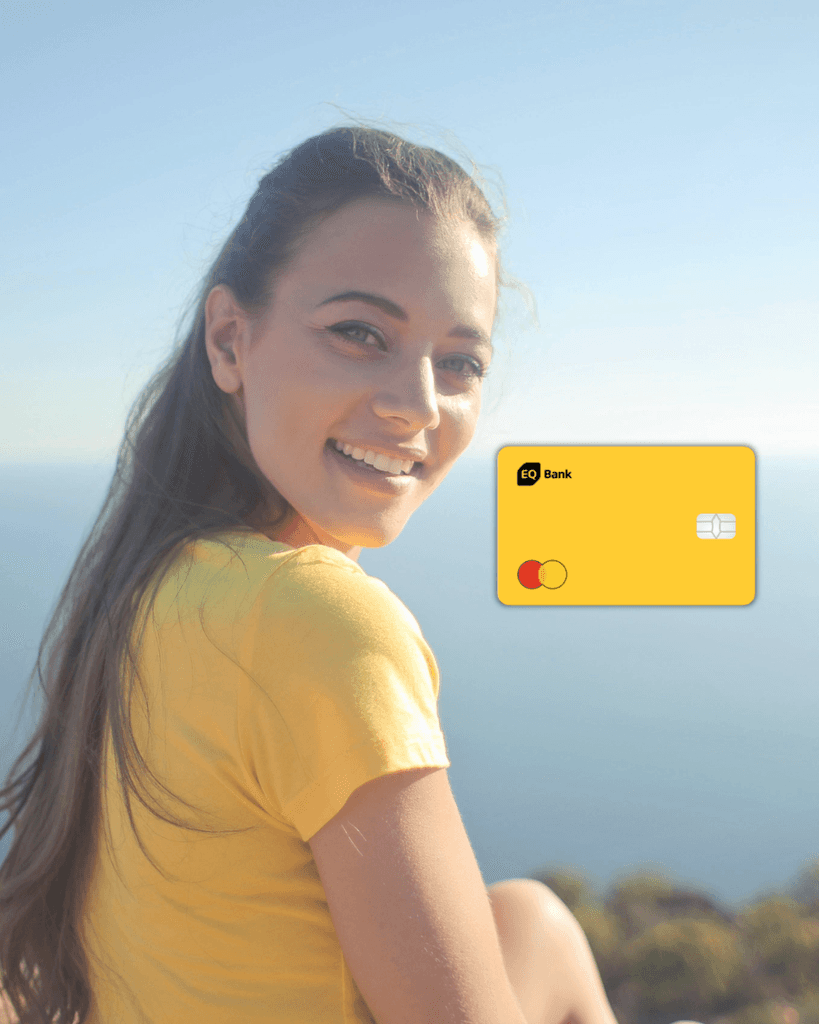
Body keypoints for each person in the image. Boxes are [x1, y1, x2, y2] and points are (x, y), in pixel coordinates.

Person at [0, 119, 703, 1024]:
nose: (416, 405)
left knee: (531, 918)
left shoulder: (154, 584)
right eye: (360, 332)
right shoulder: (318, 622)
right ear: (229, 340)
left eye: (458, 362)